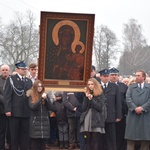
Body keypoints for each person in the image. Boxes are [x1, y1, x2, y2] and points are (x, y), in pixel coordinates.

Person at [3, 61, 33, 150]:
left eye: (25, 69)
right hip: (15, 112)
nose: (24, 71)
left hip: (26, 112)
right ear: (17, 69)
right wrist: (8, 109)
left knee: (25, 134)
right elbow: (7, 95)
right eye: (22, 69)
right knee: (14, 135)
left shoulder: (28, 80)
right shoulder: (11, 79)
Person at [125, 70, 150, 150]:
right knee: (131, 138)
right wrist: (135, 108)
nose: (136, 77)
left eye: (139, 75)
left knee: (145, 138)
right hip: (133, 115)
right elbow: (128, 98)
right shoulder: (131, 87)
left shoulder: (148, 87)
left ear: (143, 77)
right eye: (136, 75)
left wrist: (142, 108)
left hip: (145, 115)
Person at [80, 78, 106, 150]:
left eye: (92, 84)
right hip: (87, 117)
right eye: (89, 84)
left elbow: (99, 108)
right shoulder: (87, 93)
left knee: (95, 140)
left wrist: (92, 100)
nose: (90, 86)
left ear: (95, 85)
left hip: (96, 118)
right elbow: (83, 108)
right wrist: (86, 97)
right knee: (88, 140)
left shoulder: (100, 94)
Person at [99, 69, 122, 150]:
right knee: (100, 138)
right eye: (104, 76)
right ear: (100, 76)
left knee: (111, 137)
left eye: (107, 76)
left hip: (111, 115)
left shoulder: (114, 87)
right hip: (99, 116)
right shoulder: (97, 86)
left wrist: (118, 115)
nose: (106, 78)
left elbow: (118, 102)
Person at [27, 80, 53, 150]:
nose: (40, 88)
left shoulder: (45, 95)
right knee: (35, 144)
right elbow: (33, 107)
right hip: (35, 123)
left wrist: (46, 99)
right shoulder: (31, 96)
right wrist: (41, 99)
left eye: (41, 86)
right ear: (35, 87)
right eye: (38, 86)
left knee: (43, 145)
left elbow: (51, 107)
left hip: (44, 123)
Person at [109, 67, 128, 150]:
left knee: (120, 134)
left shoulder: (123, 86)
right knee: (110, 134)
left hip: (121, 115)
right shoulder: (106, 86)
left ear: (118, 76)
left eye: (115, 75)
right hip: (109, 115)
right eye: (112, 75)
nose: (114, 76)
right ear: (109, 76)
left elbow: (126, 101)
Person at [0, 64, 10, 150]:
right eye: (3, 70)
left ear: (9, 71)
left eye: (6, 70)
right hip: (2, 110)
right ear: (0, 71)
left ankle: (10, 146)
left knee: (10, 131)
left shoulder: (12, 80)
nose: (5, 71)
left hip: (12, 110)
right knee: (2, 130)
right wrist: (6, 101)